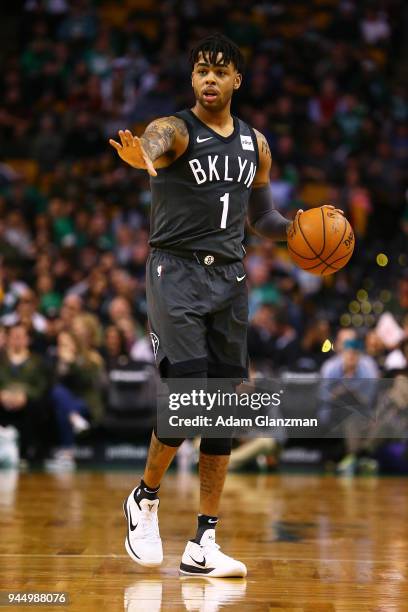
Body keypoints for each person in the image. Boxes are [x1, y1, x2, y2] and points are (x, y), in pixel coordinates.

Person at [110, 34, 342, 578]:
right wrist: (142, 152)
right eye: (200, 71)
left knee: (223, 411)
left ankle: (203, 543)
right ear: (191, 80)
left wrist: (302, 231)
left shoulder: (255, 145)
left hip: (230, 279)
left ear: (238, 79)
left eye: (219, 71)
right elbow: (154, 141)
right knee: (188, 391)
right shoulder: (175, 129)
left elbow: (261, 218)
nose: (208, 79)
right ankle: (144, 499)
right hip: (175, 271)